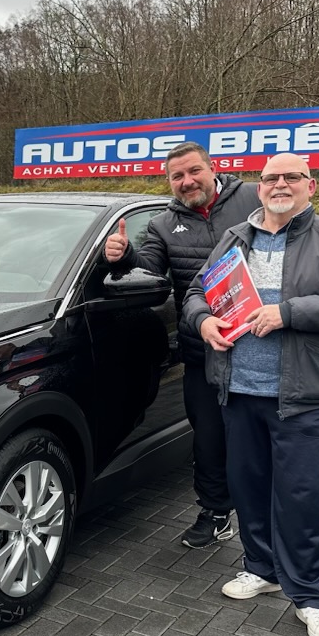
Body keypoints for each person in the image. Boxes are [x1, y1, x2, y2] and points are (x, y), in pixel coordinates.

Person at [183, 153, 319, 636]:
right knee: (248, 487)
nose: (280, 185)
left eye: (293, 177)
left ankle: (311, 595)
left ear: (312, 186)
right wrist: (204, 320)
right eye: (271, 178)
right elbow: (196, 291)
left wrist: (286, 313)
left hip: (301, 395)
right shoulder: (237, 237)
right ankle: (262, 568)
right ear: (259, 187)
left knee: (301, 496)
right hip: (238, 389)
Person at [104, 141, 260, 548]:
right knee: (208, 439)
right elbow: (149, 270)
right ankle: (215, 513)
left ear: (213, 169)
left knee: (262, 436)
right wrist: (123, 257)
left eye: (194, 171)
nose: (187, 181)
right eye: (177, 176)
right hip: (202, 349)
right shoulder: (162, 224)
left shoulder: (253, 198)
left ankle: (270, 514)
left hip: (261, 344)